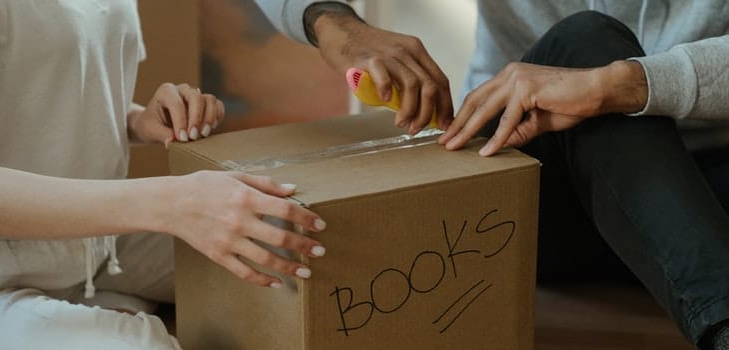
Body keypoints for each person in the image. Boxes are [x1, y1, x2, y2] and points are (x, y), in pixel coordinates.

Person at [271, 0, 729, 348]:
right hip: (531, 189)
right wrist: (334, 22)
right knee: (585, 40)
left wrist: (617, 86)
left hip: (706, 195)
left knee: (596, 62)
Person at [0, 1, 329, 349]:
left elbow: (52, 93)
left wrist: (139, 120)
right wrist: (173, 203)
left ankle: (104, 301)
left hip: (97, 245)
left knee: (292, 257)